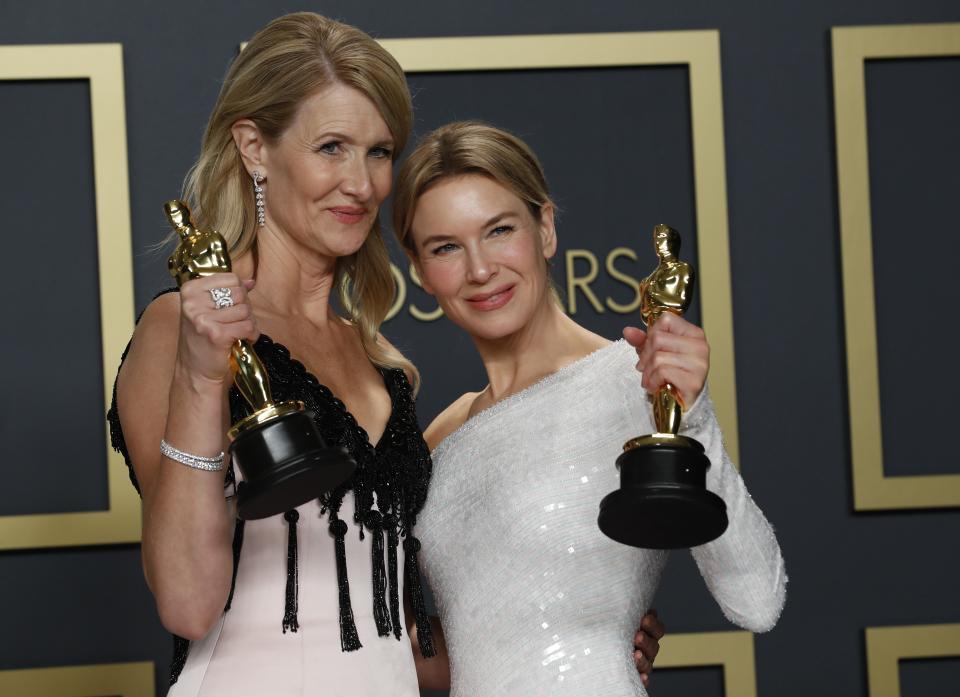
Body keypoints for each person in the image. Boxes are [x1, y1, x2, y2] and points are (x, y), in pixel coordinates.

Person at [106, 13, 662, 696]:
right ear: (254, 146)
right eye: (332, 147)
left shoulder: (380, 366)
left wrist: (569, 638)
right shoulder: (181, 330)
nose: (363, 184)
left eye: (378, 152)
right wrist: (199, 375)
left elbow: (393, 637)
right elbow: (188, 603)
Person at [391, 121, 787, 696]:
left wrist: (693, 419)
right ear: (419, 270)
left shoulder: (633, 382)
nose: (479, 269)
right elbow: (463, 642)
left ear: (545, 228)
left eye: (499, 230)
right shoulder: (442, 435)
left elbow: (757, 601)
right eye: (446, 247)